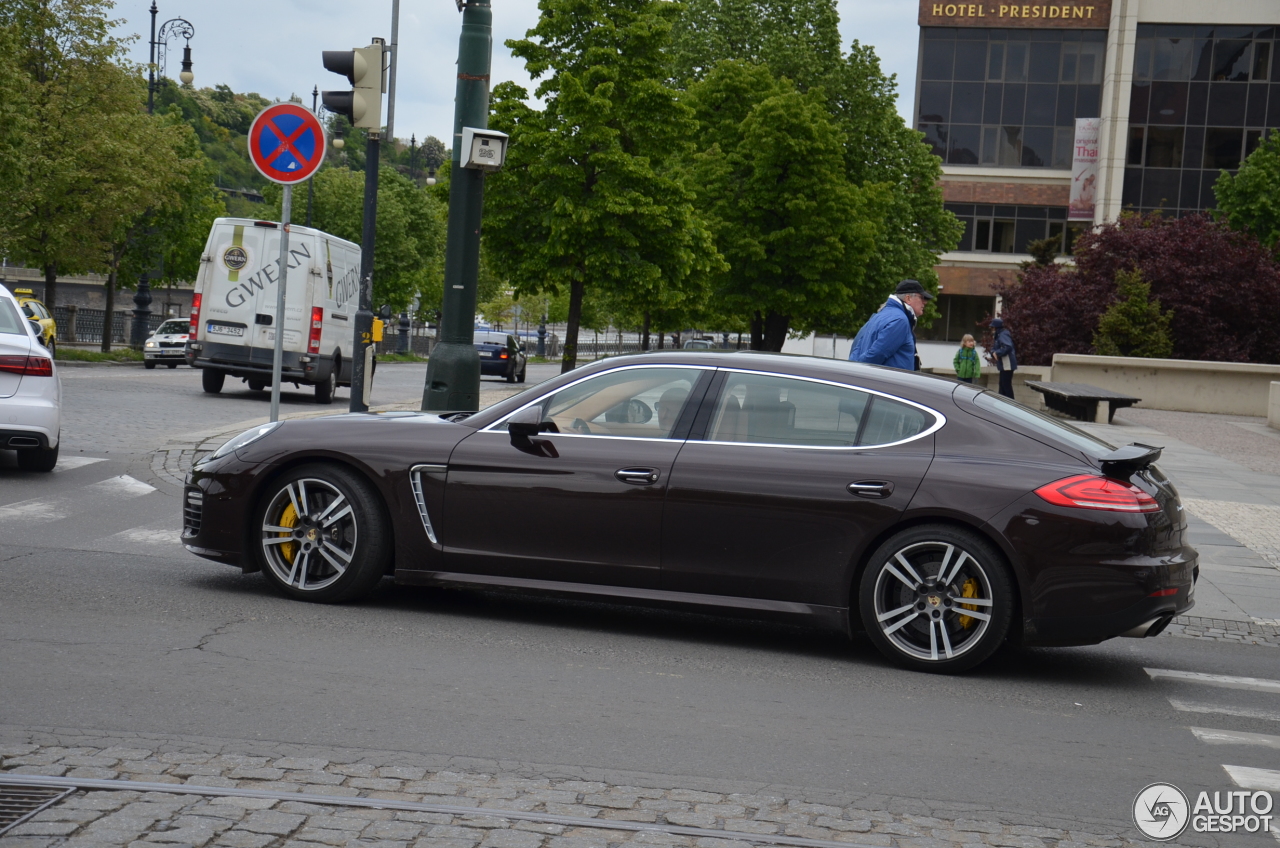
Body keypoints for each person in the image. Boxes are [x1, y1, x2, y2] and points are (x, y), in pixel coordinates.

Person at [848, 280, 933, 371]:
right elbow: (877, 354)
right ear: (908, 298)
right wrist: (858, 370)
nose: (925, 302)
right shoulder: (900, 321)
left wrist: (854, 368)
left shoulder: (879, 315)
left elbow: (857, 347)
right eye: (922, 298)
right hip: (890, 382)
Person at [987, 318, 1017, 399]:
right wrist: (994, 352)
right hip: (1003, 364)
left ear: (996, 328)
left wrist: (997, 353)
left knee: (1005, 385)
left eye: (992, 328)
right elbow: (993, 348)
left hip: (1007, 363)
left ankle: (1011, 404)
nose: (992, 330)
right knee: (1002, 385)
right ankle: (1003, 403)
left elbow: (1008, 346)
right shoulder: (999, 335)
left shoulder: (1003, 335)